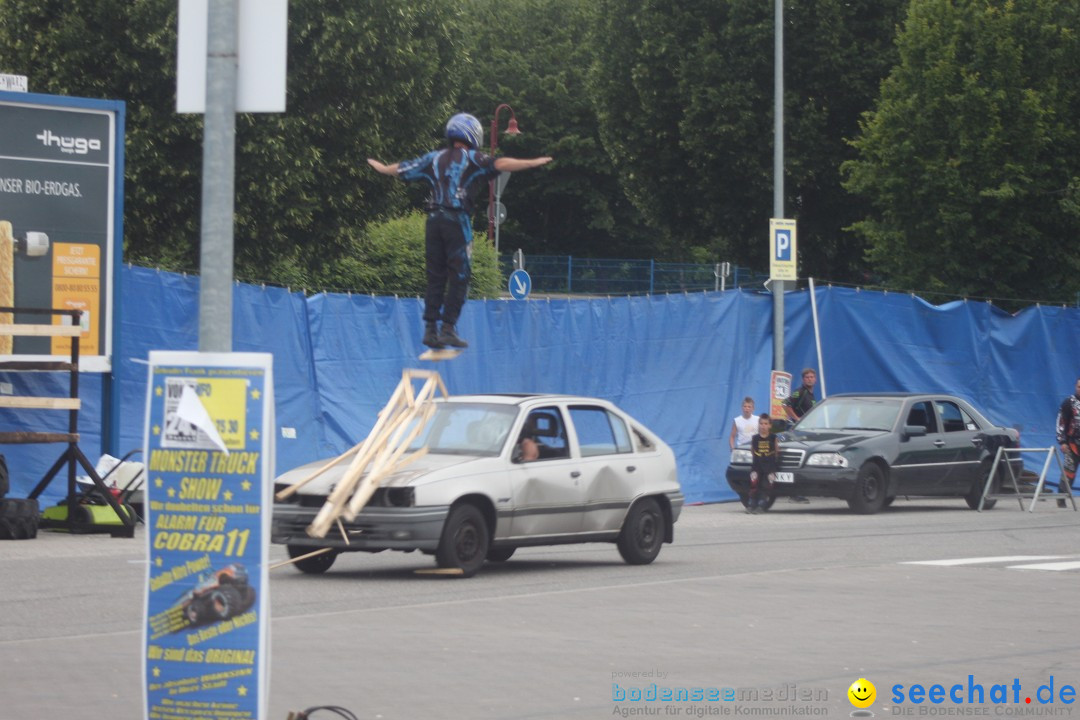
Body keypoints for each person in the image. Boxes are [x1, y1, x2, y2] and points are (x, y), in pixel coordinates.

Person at [367, 113, 552, 349]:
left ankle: (430, 330)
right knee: (460, 276)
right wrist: (532, 162)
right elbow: (501, 164)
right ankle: (448, 328)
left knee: (435, 277)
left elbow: (403, 168)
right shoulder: (473, 157)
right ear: (473, 135)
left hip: (433, 221)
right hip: (456, 220)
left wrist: (382, 168)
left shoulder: (434, 158)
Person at [783, 367, 817, 503]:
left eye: (812, 377)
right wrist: (797, 419)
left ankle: (800, 491)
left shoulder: (811, 394)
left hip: (807, 431)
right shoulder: (800, 392)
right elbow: (785, 404)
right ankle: (795, 494)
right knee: (797, 461)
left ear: (815, 379)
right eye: (807, 377)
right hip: (797, 432)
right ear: (803, 379)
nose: (809, 379)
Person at [747, 413, 778, 514]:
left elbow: (777, 451)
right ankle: (751, 504)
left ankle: (762, 505)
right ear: (758, 424)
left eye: (766, 424)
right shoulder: (755, 438)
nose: (763, 426)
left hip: (769, 466)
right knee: (754, 484)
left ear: (770, 425)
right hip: (757, 465)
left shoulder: (773, 437)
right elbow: (752, 451)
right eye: (761, 423)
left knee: (766, 485)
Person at [1056, 377, 1080, 497]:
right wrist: (1062, 441)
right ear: (1076, 387)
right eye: (1079, 387)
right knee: (1069, 472)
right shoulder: (1068, 402)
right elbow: (1061, 422)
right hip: (1072, 444)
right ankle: (1062, 497)